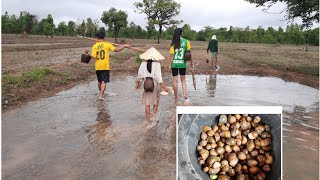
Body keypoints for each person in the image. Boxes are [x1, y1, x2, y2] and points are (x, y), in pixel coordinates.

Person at [85, 31, 130, 100]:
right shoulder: (107, 44)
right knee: (104, 81)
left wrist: (88, 53)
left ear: (97, 37)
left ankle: (100, 93)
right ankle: (101, 95)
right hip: (105, 66)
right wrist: (124, 46)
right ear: (104, 37)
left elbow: (94, 56)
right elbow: (116, 50)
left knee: (99, 81)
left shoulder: (94, 46)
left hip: (98, 66)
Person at [136, 47, 171, 128]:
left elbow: (139, 76)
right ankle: (154, 115)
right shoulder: (157, 64)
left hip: (146, 83)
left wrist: (137, 84)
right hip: (155, 84)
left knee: (147, 104)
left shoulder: (143, 63)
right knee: (156, 100)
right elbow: (159, 78)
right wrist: (165, 88)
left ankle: (148, 122)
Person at [169, 28, 193, 101]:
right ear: (181, 33)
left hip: (175, 64)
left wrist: (169, 64)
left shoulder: (173, 43)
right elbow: (189, 54)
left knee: (175, 81)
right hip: (182, 64)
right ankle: (185, 94)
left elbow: (172, 55)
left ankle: (176, 97)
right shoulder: (186, 41)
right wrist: (192, 63)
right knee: (183, 80)